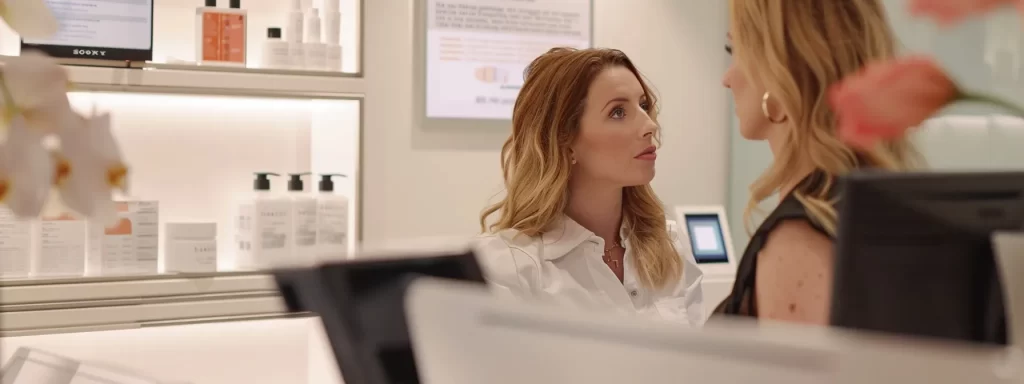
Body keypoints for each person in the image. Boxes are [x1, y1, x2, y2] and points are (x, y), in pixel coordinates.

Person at [715, 0, 921, 324]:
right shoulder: (867, 202)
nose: (726, 78)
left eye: (734, 49)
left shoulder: (800, 240)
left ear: (780, 70)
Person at [475, 47, 705, 327]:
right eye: (618, 112)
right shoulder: (509, 267)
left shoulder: (670, 245)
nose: (650, 125)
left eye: (644, 106)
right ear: (565, 140)